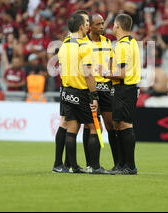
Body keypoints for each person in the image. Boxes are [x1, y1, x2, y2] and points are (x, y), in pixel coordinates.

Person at [55, 11, 110, 174]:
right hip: (82, 92)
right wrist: (94, 96)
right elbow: (88, 73)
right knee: (94, 127)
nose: (88, 25)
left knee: (71, 128)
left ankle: (71, 166)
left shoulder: (63, 46)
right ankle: (94, 167)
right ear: (80, 26)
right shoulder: (83, 46)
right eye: (86, 23)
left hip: (67, 90)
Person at [103, 14, 141, 175]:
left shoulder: (122, 46)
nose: (112, 27)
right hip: (127, 88)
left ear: (117, 26)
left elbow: (123, 73)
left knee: (125, 125)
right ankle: (123, 164)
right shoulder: (131, 42)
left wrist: (105, 74)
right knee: (118, 124)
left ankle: (130, 166)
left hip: (125, 88)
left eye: (113, 25)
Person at [84, 13, 119, 172]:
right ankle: (91, 164)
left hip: (106, 87)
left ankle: (118, 164)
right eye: (98, 24)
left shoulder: (107, 42)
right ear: (90, 26)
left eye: (103, 23)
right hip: (91, 88)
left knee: (111, 125)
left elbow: (111, 64)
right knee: (92, 126)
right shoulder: (84, 43)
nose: (102, 26)